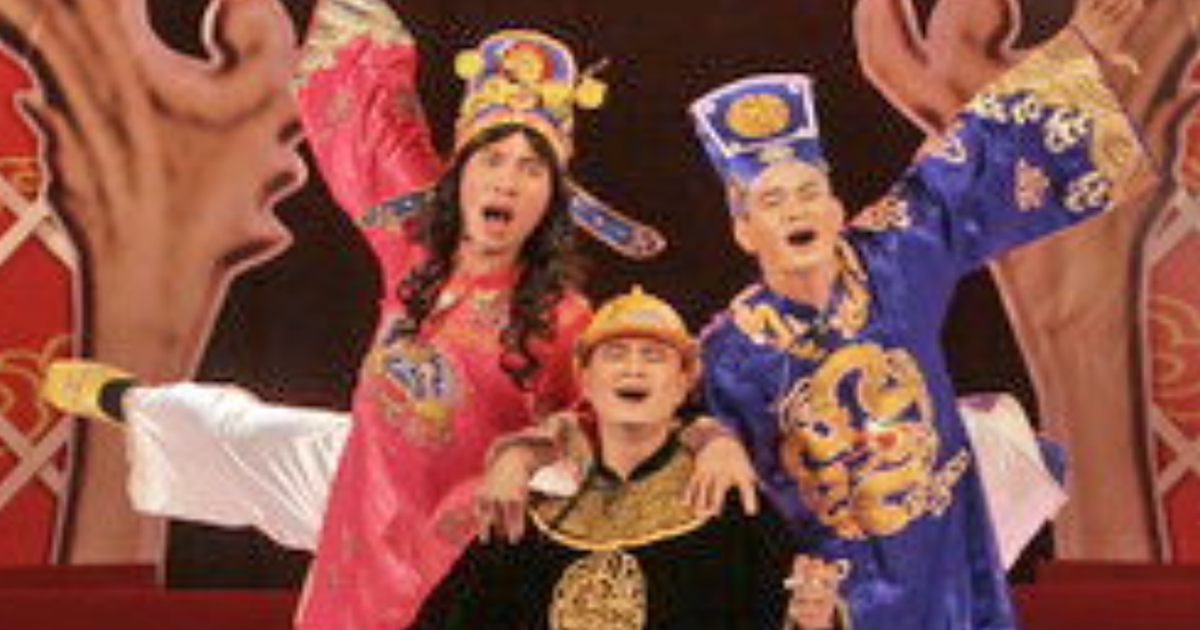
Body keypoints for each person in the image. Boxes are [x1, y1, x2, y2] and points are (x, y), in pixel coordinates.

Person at [40, 2, 755, 629]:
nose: (507, 180)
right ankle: (122, 398)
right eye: (492, 159)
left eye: (531, 168)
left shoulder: (564, 318)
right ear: (460, 176)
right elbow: (369, 129)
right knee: (245, 433)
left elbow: (621, 417)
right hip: (366, 496)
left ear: (552, 200)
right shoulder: (417, 249)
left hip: (461, 542)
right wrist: (366, 29)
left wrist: (708, 438)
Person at [688, 1, 1152, 629]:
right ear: (745, 231)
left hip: (948, 558)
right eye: (772, 201)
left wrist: (1078, 53)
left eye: (809, 193)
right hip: (837, 596)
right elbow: (674, 417)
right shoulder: (730, 350)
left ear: (835, 209)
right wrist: (711, 437)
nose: (796, 211)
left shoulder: (890, 259)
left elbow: (971, 158)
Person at [410, 286, 846, 630]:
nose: (633, 368)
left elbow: (791, 612)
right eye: (615, 354)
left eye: (653, 356)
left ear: (684, 381)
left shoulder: (726, 498)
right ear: (585, 378)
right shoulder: (536, 505)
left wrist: (813, 620)